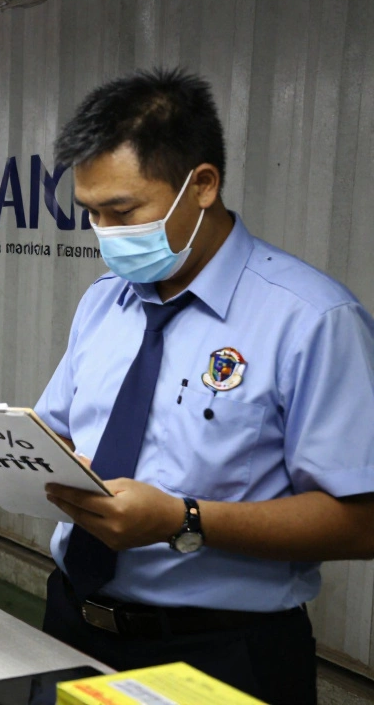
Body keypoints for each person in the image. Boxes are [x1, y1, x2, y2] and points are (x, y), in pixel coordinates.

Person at [34, 69, 374, 704]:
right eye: (91, 213)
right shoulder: (104, 304)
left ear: (203, 185)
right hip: (72, 623)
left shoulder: (311, 320)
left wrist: (182, 519)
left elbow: (360, 523)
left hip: (221, 651)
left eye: (123, 211)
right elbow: (58, 429)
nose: (105, 233)